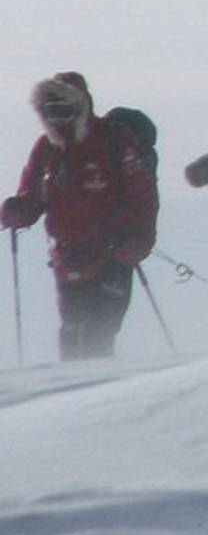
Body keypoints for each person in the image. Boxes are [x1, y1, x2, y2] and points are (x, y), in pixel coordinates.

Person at [1, 73, 158, 359]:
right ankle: (78, 394)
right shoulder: (47, 148)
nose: (57, 119)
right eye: (49, 111)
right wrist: (17, 211)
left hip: (114, 253)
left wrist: (141, 241)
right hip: (66, 256)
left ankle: (98, 393)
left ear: (81, 107)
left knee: (100, 332)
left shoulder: (114, 140)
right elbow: (32, 196)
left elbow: (144, 196)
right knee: (71, 332)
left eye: (63, 110)